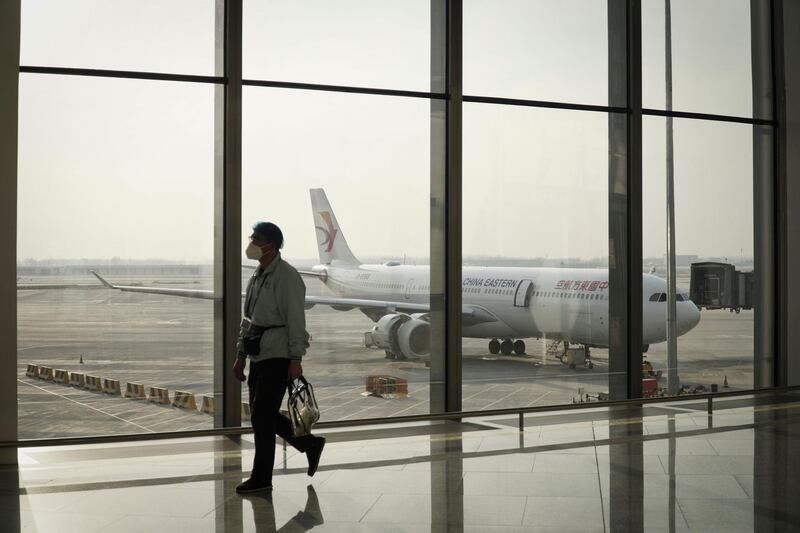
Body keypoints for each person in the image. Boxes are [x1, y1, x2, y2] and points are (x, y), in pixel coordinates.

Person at [234, 221, 325, 494]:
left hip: (278, 355)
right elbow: (248, 320)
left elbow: (296, 321)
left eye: (256, 238)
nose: (250, 242)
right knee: (262, 416)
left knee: (262, 417)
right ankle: (309, 444)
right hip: (258, 354)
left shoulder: (287, 277)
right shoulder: (257, 275)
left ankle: (262, 477)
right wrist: (240, 355)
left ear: (270, 244)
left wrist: (295, 359)